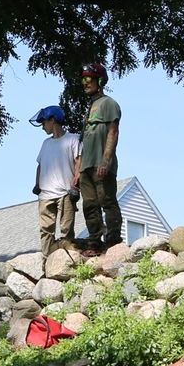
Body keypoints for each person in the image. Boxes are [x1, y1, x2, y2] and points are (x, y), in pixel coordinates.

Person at [77, 62, 123, 250]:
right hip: (86, 166)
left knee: (107, 201)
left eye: (89, 79)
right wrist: (78, 170)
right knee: (89, 204)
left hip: (101, 163)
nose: (85, 83)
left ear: (100, 80)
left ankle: (113, 240)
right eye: (83, 80)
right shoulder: (90, 107)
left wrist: (106, 160)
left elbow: (113, 131)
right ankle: (95, 241)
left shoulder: (108, 103)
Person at [30, 106, 80, 260]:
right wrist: (37, 184)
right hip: (45, 194)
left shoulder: (73, 139)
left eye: (44, 123)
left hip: (65, 192)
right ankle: (47, 259)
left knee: (66, 229)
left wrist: (76, 180)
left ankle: (67, 260)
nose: (42, 127)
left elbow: (79, 161)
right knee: (46, 230)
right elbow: (40, 165)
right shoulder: (46, 143)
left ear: (53, 120)